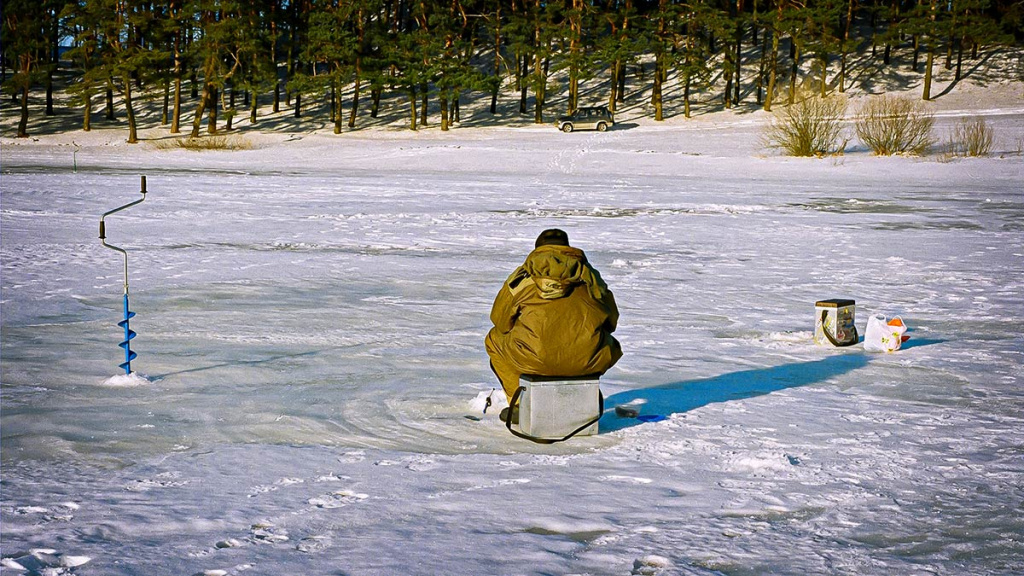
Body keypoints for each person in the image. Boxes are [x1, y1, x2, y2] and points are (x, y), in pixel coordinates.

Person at [485, 229, 622, 422]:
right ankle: (583, 399)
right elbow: (611, 320)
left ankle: (519, 406)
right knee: (608, 343)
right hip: (587, 359)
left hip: (531, 359)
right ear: (567, 248)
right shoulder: (591, 279)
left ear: (538, 249)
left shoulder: (522, 278)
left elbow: (500, 320)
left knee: (493, 339)